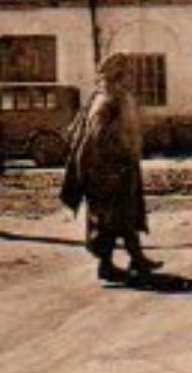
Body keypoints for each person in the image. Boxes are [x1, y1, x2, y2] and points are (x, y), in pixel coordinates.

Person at [60, 53, 160, 283]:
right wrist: (114, 158)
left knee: (127, 213)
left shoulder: (118, 97)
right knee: (109, 219)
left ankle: (137, 257)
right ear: (118, 75)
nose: (131, 77)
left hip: (122, 167)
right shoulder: (106, 100)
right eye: (127, 73)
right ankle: (106, 266)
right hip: (109, 171)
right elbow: (97, 136)